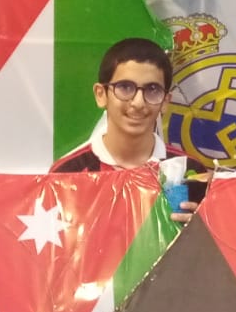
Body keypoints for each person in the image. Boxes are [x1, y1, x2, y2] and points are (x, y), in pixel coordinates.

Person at [52, 37, 206, 214]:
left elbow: (210, 231)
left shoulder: (190, 171)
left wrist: (199, 227)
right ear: (101, 94)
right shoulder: (66, 173)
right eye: (125, 87)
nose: (138, 102)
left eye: (152, 89)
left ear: (165, 101)